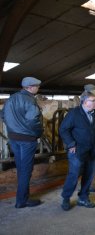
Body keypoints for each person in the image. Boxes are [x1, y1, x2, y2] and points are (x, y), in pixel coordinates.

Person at [2, 77, 43, 208]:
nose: (38, 88)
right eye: (37, 86)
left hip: (13, 138)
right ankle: (22, 200)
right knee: (26, 170)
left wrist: (13, 126)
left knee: (21, 168)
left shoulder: (12, 98)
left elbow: (2, 115)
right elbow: (33, 120)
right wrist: (38, 133)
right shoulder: (30, 100)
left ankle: (23, 197)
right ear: (30, 87)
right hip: (27, 139)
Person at [59, 91, 95, 211]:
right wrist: (71, 144)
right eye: (93, 100)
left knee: (88, 175)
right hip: (77, 151)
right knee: (74, 175)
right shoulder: (74, 113)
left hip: (91, 150)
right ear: (85, 102)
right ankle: (66, 198)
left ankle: (83, 197)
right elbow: (63, 129)